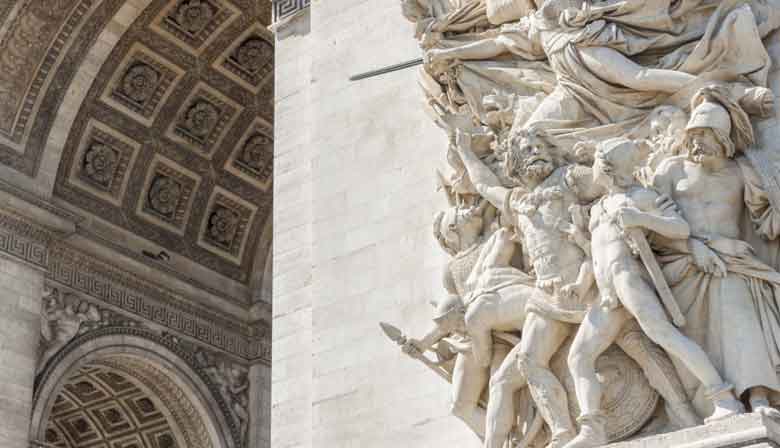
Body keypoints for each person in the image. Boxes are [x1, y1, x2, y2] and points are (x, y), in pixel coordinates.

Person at [564, 138, 743, 448]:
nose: (592, 168)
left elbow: (680, 228)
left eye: (596, 162)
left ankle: (724, 398)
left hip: (629, 279)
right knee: (578, 356)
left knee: (666, 336)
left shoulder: (641, 196)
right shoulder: (596, 210)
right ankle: (593, 429)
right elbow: (596, 257)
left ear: (608, 168)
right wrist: (581, 284)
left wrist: (643, 219)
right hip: (607, 293)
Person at [652, 86, 780, 419]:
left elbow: (765, 220)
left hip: (734, 263)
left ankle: (758, 395)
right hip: (683, 263)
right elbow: (655, 224)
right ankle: (713, 399)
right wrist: (693, 246)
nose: (695, 142)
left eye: (705, 136)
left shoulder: (741, 172)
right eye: (692, 135)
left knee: (737, 306)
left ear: (723, 139)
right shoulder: (670, 170)